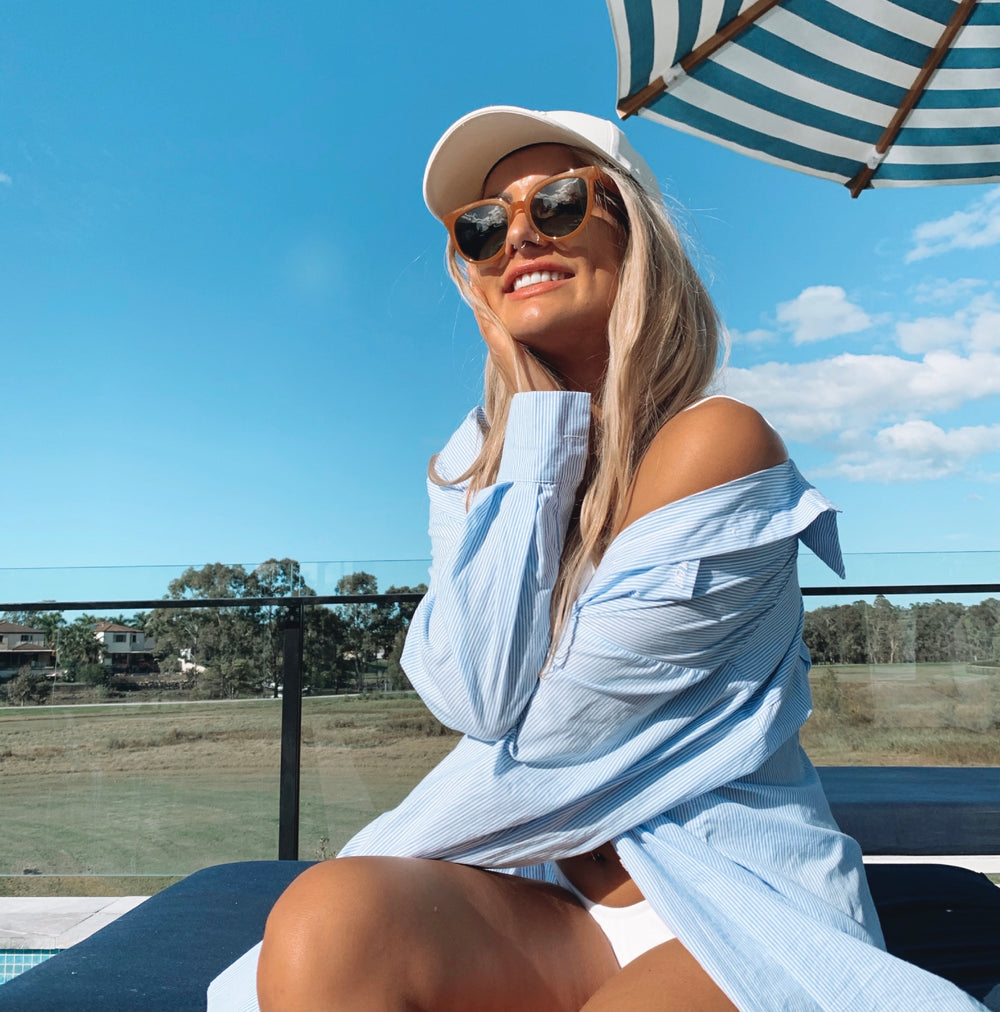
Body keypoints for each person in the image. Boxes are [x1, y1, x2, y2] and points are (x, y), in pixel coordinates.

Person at [209, 107, 987, 1012]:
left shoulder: (717, 444)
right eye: (484, 227)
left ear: (636, 232)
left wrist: (392, 837)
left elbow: (558, 736)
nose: (520, 237)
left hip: (731, 898)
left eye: (563, 203)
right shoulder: (475, 468)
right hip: (542, 897)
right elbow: (474, 696)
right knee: (327, 924)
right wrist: (534, 433)